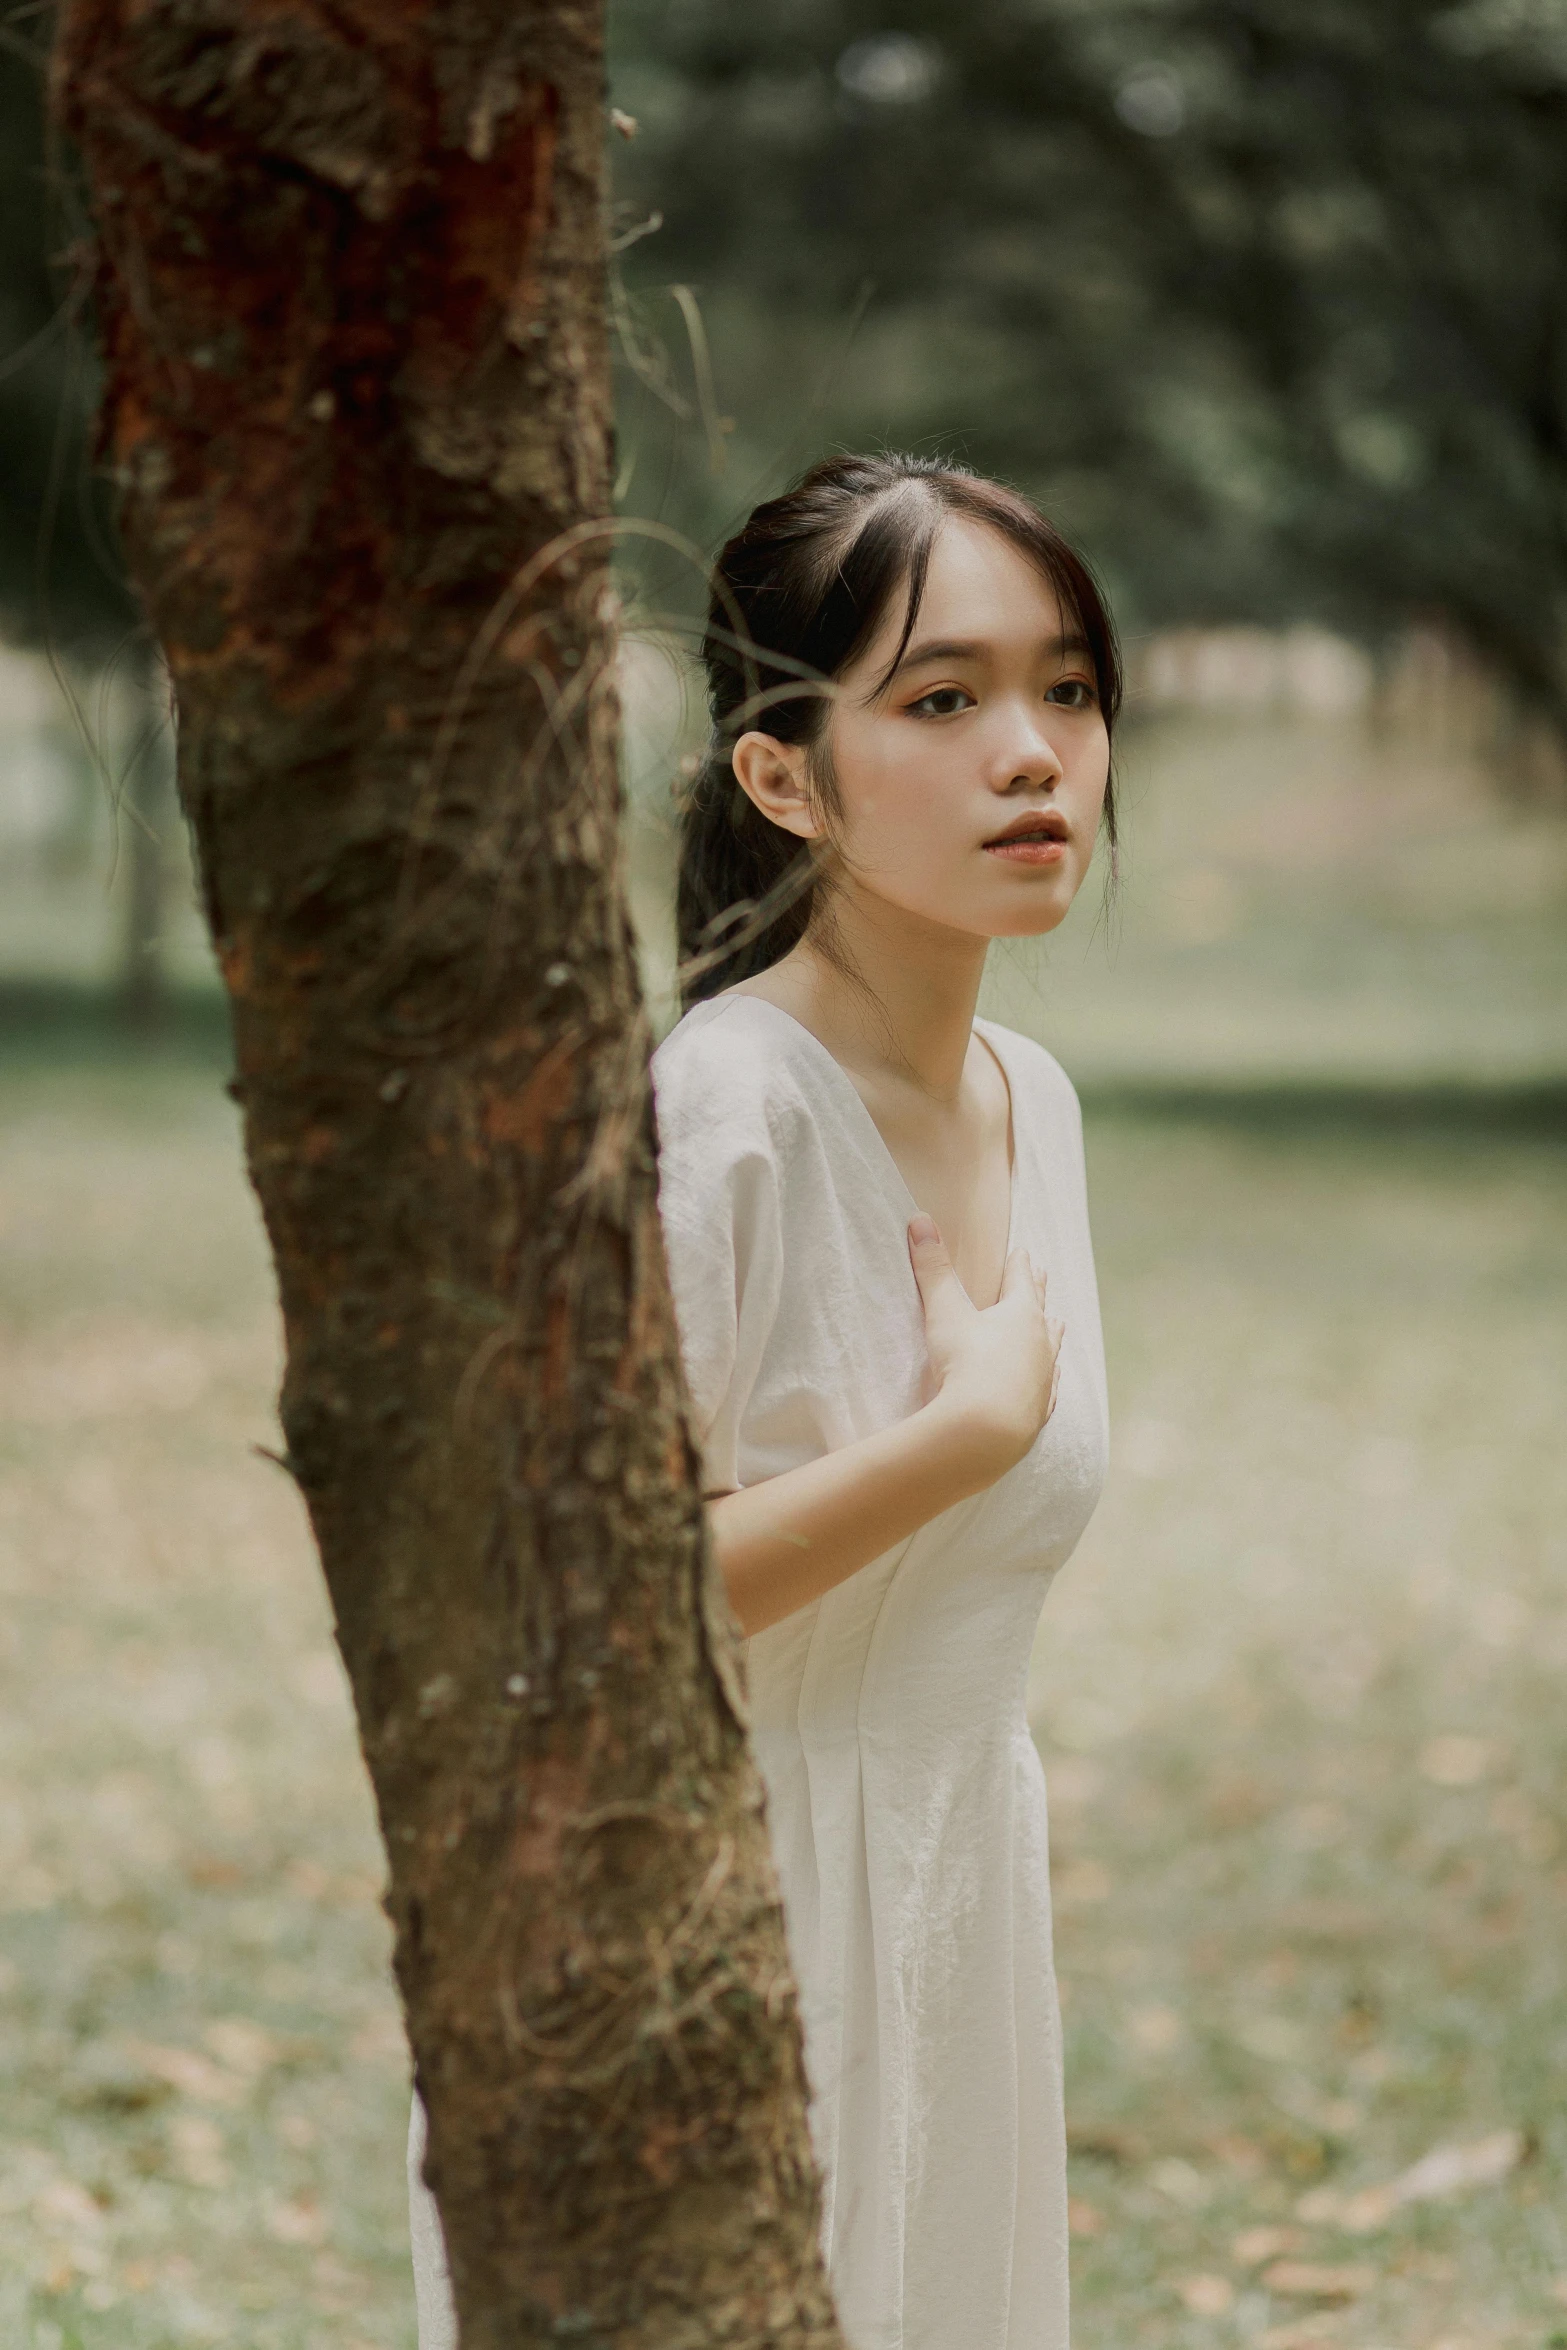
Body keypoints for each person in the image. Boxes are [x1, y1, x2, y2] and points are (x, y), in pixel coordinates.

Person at [409, 452, 1118, 2350]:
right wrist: (954, 1440)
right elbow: (600, 1606)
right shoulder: (722, 1107)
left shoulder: (1026, 1101)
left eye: (1065, 685)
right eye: (942, 699)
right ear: (781, 775)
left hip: (961, 1903)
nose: (1034, 754)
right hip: (716, 1930)